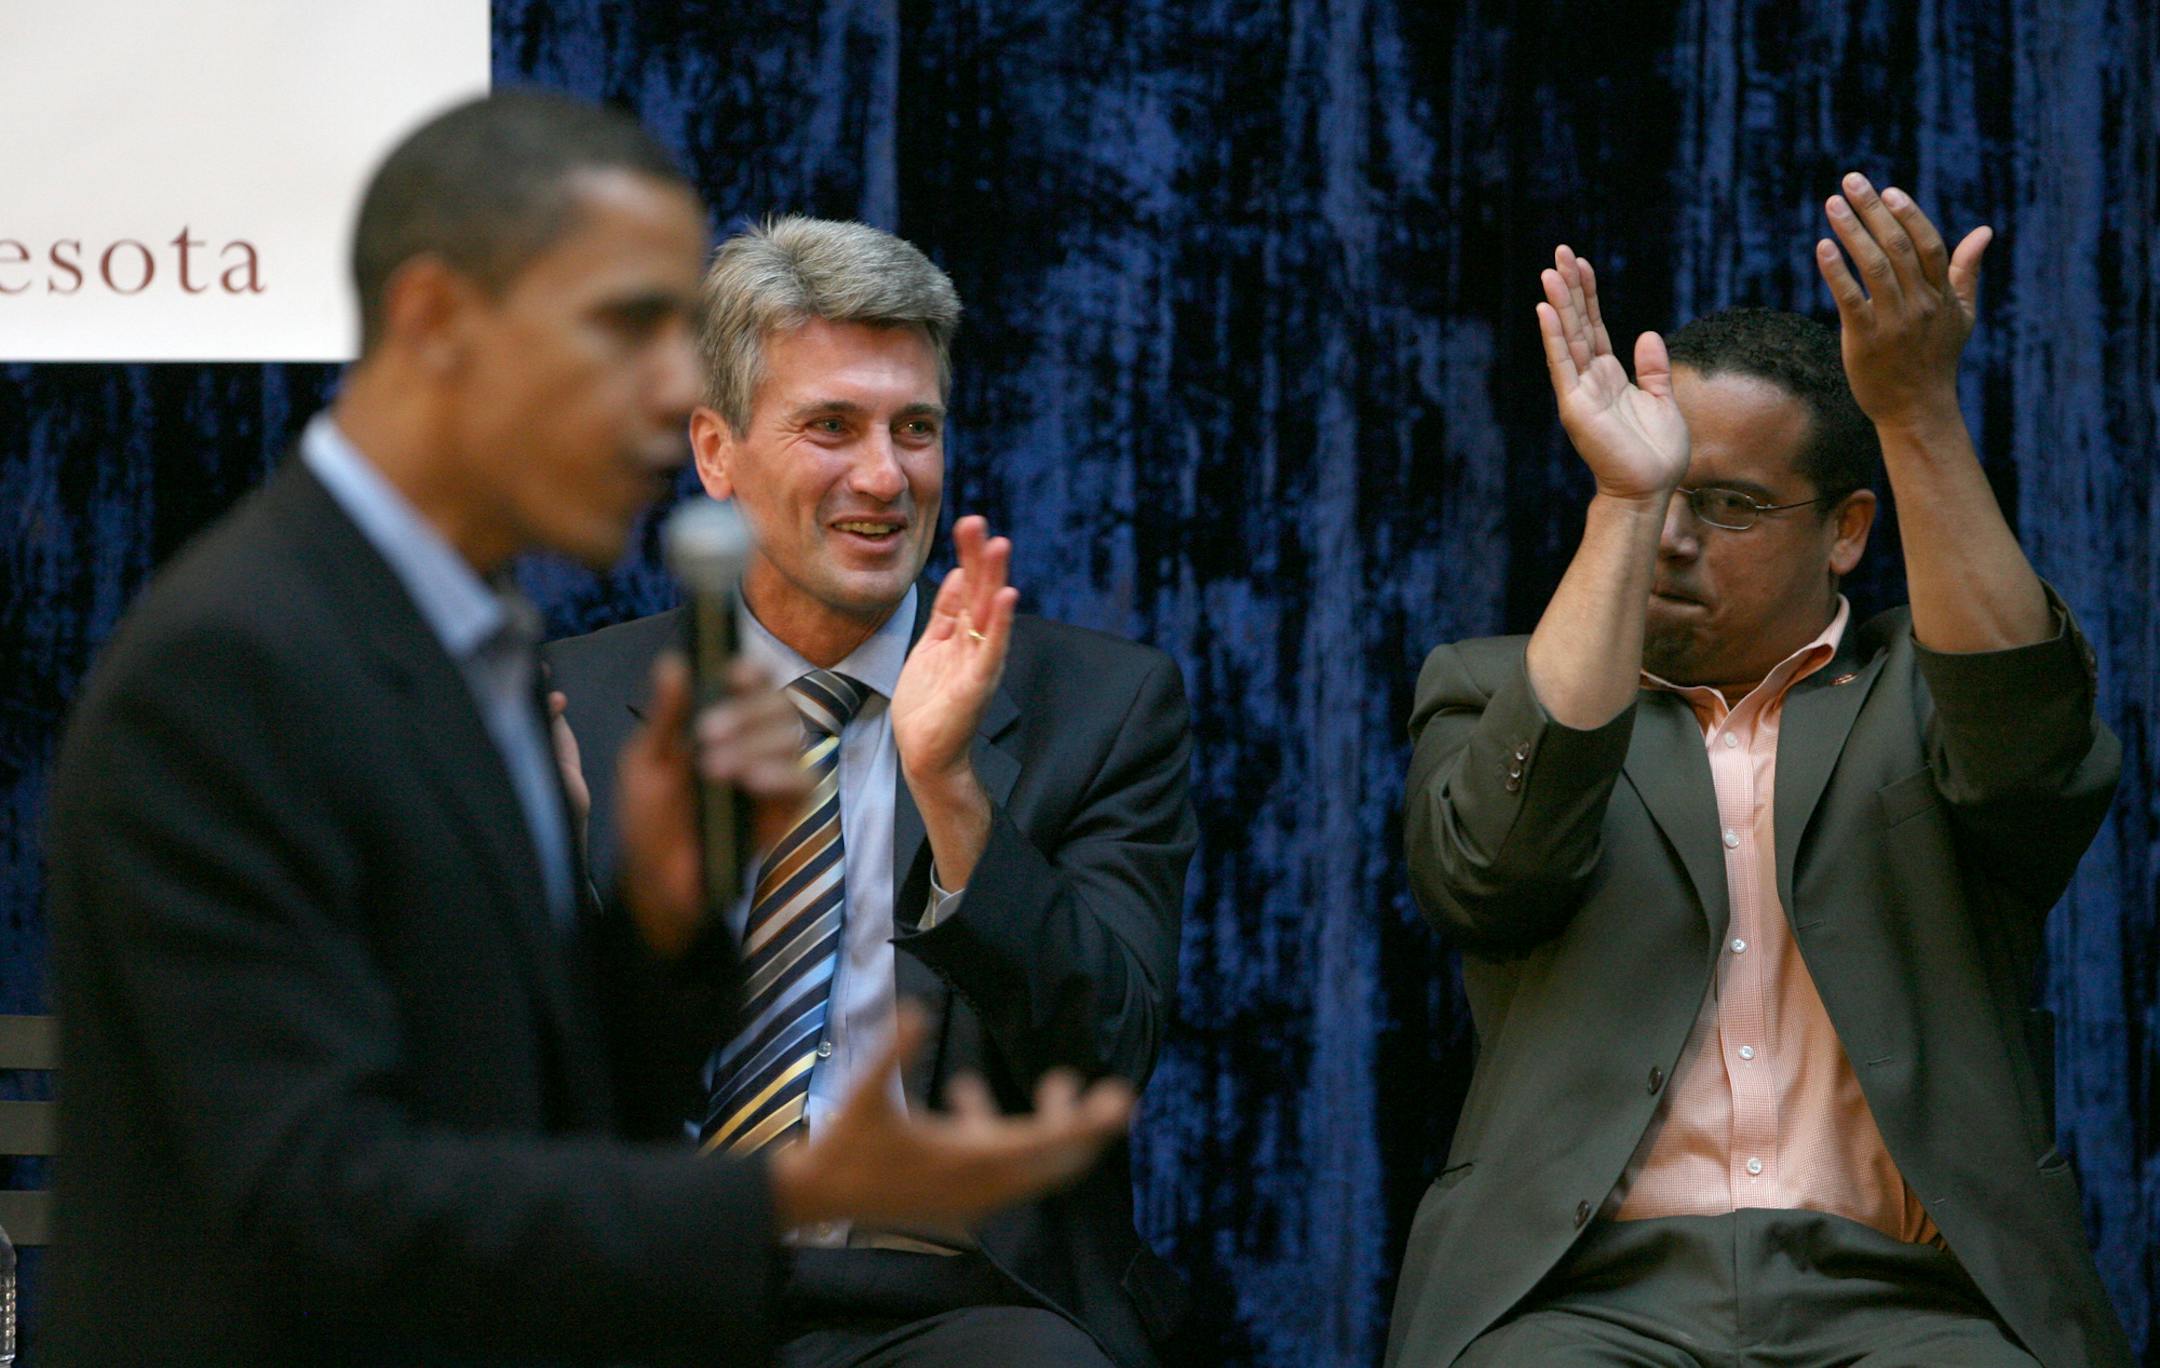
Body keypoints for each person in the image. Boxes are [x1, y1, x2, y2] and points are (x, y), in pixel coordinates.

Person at [42, 91, 1134, 1367]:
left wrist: (667, 936)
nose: (672, 393)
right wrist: (777, 1198)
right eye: (626, 328)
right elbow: (315, 1200)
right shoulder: (241, 664)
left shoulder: (468, 647)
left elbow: (518, 1098)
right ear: (439, 321)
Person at [1385, 175, 2132, 1367]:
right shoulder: (1498, 684)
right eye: (1661, 493)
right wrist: (1625, 504)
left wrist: (1918, 412)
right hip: (1584, 1300)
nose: (1677, 537)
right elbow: (1489, 879)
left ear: (1844, 530)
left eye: (1725, 504)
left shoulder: (1922, 684)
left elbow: (2029, 761)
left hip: (1918, 1303)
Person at [545, 216, 1196, 1368]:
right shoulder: (576, 709)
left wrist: (951, 794)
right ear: (716, 451)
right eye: (831, 427)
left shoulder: (1099, 706)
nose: (885, 477)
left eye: (917, 429)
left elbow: (1108, 1057)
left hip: (952, 1297)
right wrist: (548, 886)